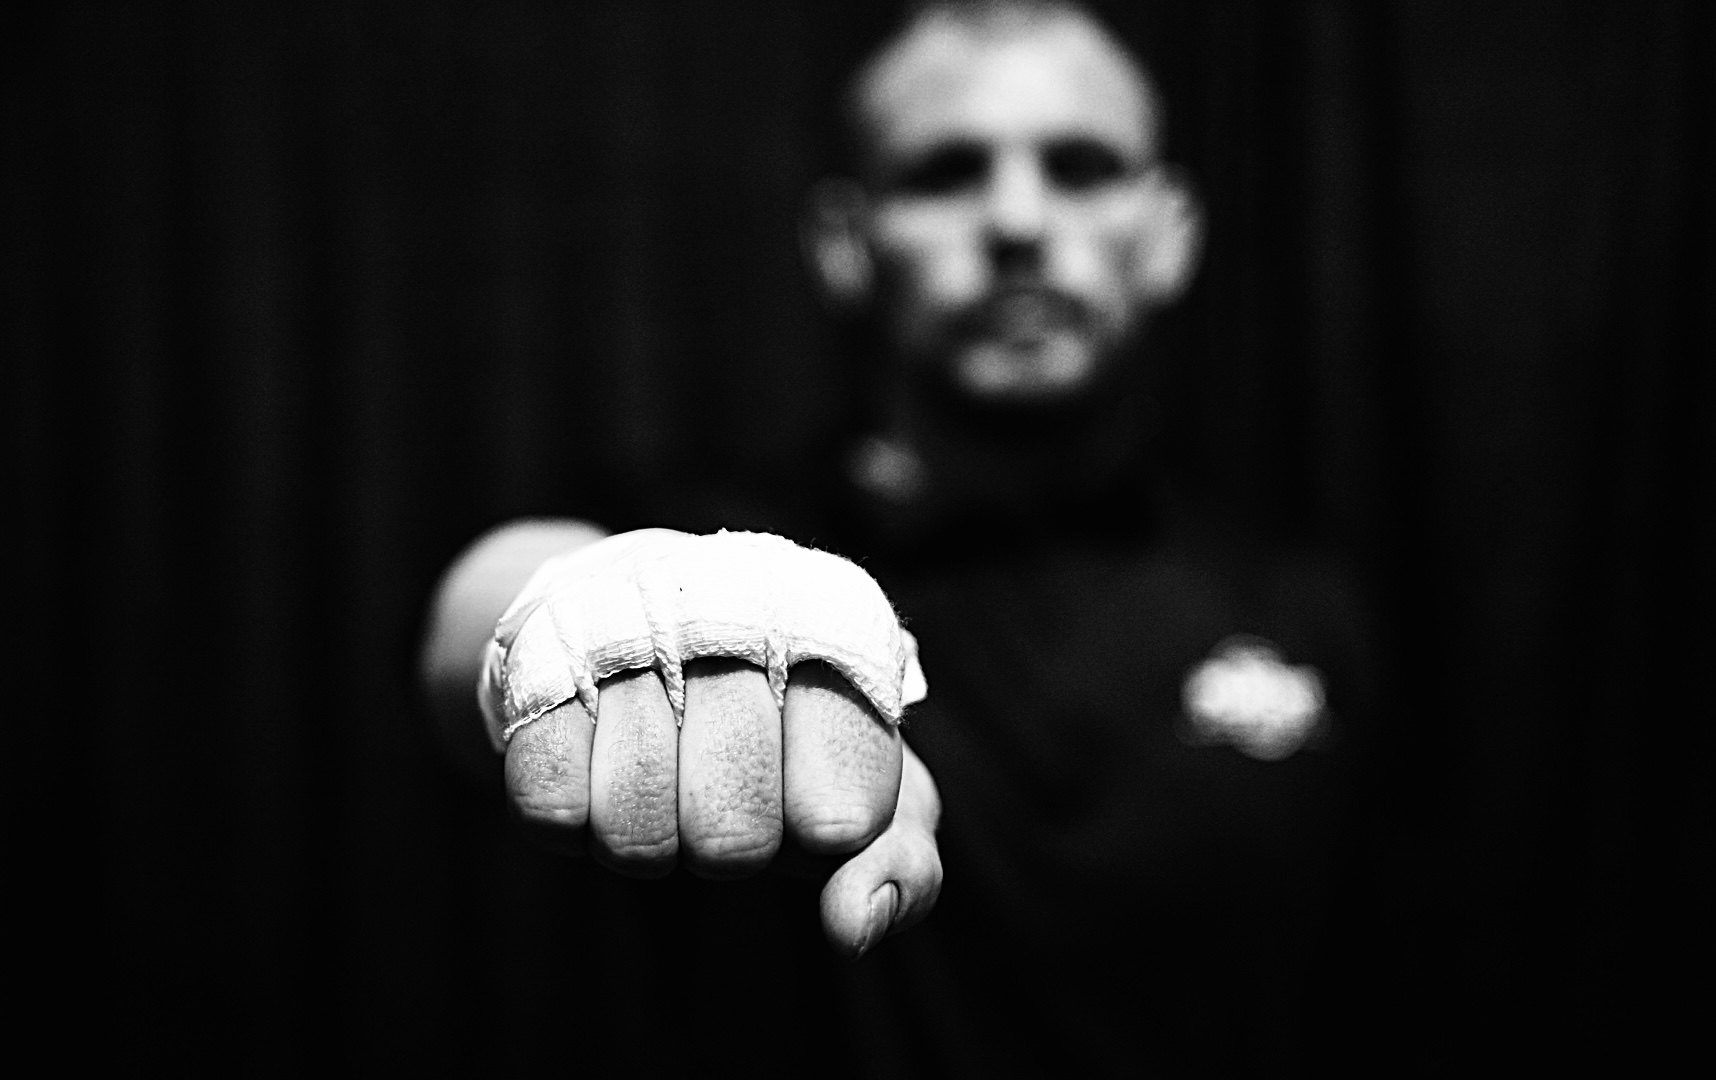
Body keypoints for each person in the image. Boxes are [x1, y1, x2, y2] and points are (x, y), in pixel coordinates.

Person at [421, 1, 1373, 1072]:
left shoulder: (1302, 604)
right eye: (946, 173)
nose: (1017, 220)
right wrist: (561, 618)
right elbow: (494, 609)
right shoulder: (714, 554)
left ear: (1168, 234)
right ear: (846, 244)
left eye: (1081, 167)